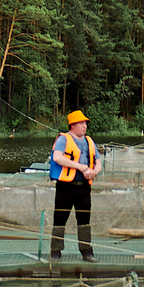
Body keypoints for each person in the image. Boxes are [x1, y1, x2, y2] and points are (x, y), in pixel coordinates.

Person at [49, 109, 101, 261]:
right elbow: (58, 158)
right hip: (66, 186)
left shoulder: (89, 141)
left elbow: (98, 161)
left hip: (84, 187)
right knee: (60, 218)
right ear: (73, 125)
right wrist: (80, 167)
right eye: (82, 123)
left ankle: (86, 252)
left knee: (84, 220)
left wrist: (94, 172)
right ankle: (55, 251)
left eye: (85, 123)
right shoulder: (63, 139)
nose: (85, 126)